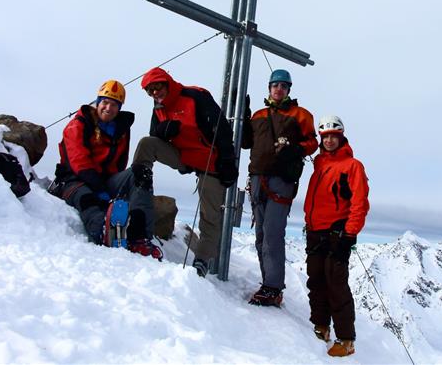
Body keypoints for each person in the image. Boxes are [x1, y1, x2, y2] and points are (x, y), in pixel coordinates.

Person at [133, 67, 237, 276]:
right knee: (147, 144)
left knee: (210, 214)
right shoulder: (158, 107)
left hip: (211, 161)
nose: (155, 93)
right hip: (184, 157)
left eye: (157, 87)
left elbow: (222, 128)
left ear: (167, 83)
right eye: (150, 90)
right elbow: (155, 135)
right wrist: (163, 131)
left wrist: (227, 161)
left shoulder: (194, 97)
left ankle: (201, 261)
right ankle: (136, 189)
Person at [51, 80, 162, 260]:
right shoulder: (79, 124)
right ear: (97, 102)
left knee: (140, 173)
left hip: (104, 180)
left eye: (114, 104)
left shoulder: (121, 129)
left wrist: (112, 187)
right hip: (74, 179)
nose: (108, 108)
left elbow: (120, 163)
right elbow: (79, 161)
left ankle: (139, 237)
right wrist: (101, 190)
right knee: (88, 199)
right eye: (105, 102)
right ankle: (102, 230)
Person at [241, 69, 318, 306]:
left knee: (273, 234)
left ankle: (273, 287)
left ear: (289, 90)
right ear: (269, 88)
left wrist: (296, 150)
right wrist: (243, 115)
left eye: (283, 86)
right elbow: (245, 143)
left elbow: (313, 142)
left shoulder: (301, 115)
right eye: (275, 85)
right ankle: (268, 284)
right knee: (261, 235)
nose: (278, 89)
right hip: (257, 179)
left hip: (281, 181)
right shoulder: (259, 115)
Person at [302, 115, 370, 357]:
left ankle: (346, 339)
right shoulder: (320, 164)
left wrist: (349, 235)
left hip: (336, 234)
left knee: (336, 284)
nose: (329, 140)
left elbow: (359, 203)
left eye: (334, 136)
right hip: (315, 231)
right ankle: (321, 327)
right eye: (326, 136)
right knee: (316, 281)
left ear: (341, 137)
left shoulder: (353, 166)